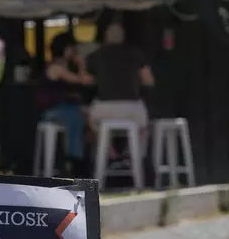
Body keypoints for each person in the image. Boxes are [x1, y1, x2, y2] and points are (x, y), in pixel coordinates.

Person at [86, 23, 155, 160]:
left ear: (106, 37)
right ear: (123, 37)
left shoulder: (96, 55)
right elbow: (149, 80)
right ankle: (133, 156)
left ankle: (110, 154)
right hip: (132, 109)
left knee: (92, 123)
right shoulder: (136, 53)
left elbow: (87, 81)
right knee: (142, 127)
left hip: (104, 108)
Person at [41, 32, 93, 176]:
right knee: (76, 118)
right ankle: (75, 159)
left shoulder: (65, 66)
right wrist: (82, 63)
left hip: (65, 108)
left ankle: (80, 156)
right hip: (53, 111)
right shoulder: (56, 68)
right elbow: (83, 80)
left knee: (85, 116)